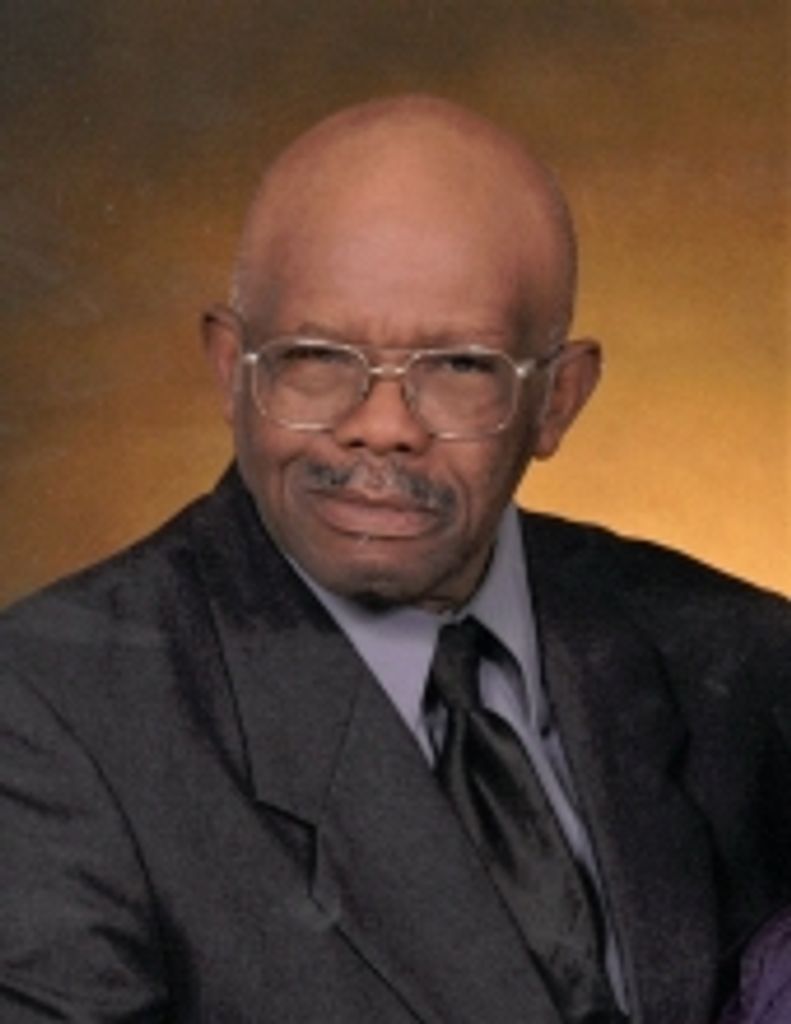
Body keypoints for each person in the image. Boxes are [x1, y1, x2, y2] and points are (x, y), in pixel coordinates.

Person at [0, 95, 789, 1024]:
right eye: (317, 357)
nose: (381, 426)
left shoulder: (741, 655)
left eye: (459, 366)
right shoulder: (50, 716)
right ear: (230, 368)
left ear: (558, 400)